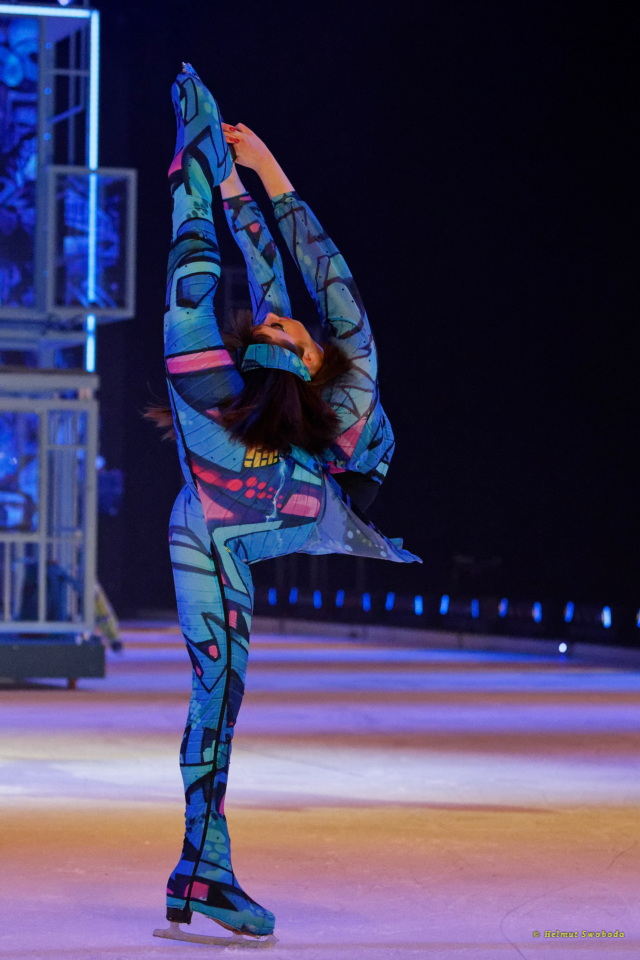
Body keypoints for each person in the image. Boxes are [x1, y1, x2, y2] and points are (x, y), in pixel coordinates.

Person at [151, 63, 421, 945]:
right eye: (276, 327)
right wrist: (248, 176)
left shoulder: (300, 389)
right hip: (258, 505)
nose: (276, 317)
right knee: (215, 694)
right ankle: (201, 866)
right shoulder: (310, 390)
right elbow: (297, 276)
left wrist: (240, 176)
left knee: (193, 305)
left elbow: (286, 271)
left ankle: (202, 863)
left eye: (276, 325)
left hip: (261, 504)